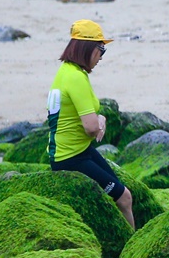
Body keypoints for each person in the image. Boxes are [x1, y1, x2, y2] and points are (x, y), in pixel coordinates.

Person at [46, 20, 135, 230]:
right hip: (70, 158)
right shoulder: (75, 78)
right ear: (87, 47)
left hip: (75, 151)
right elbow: (91, 127)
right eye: (101, 49)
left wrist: (100, 119)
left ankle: (127, 241)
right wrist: (99, 123)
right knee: (123, 198)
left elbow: (86, 118)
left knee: (125, 196)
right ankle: (132, 250)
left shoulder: (66, 72)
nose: (102, 57)